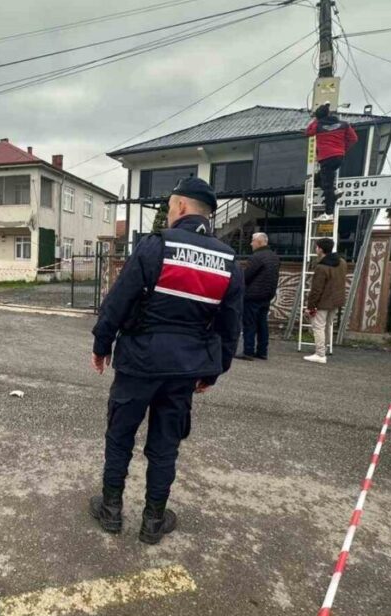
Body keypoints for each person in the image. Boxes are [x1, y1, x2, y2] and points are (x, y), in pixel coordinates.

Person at [88, 177, 244, 545]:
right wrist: (215, 370)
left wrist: (102, 343)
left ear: (182, 208)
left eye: (171, 206)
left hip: (139, 363)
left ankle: (111, 512)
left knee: (120, 435)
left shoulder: (154, 246)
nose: (169, 213)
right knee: (165, 445)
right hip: (184, 369)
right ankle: (153, 521)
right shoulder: (228, 261)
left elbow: (119, 300)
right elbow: (230, 324)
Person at [305, 103, 358, 219]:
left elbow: (308, 132)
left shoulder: (318, 125)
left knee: (327, 186)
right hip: (339, 157)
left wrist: (315, 120)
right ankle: (335, 190)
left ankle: (329, 213)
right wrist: (343, 148)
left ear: (318, 117)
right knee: (319, 179)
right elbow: (354, 138)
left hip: (326, 158)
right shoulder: (344, 124)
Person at [303, 238, 348, 364]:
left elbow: (316, 289)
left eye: (317, 247)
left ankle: (320, 353)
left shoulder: (321, 267)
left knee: (318, 327)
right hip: (336, 299)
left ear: (321, 249)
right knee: (328, 325)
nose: (316, 249)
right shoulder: (342, 262)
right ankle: (325, 348)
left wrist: (311, 306)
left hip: (323, 301)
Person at [239, 232, 280, 360]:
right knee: (262, 324)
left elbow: (246, 276)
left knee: (249, 323)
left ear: (259, 242)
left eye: (253, 241)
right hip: (267, 295)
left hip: (253, 295)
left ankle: (248, 351)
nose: (251, 243)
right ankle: (262, 351)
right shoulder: (274, 257)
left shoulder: (256, 257)